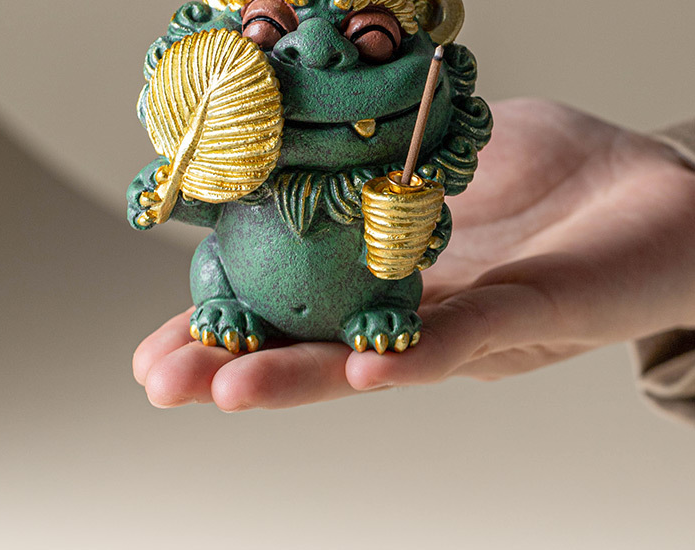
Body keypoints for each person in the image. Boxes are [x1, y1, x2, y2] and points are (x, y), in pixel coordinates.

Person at [132, 98, 695, 423]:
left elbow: (421, 239)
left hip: (373, 286)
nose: (319, 57)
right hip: (242, 288)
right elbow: (195, 204)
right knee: (214, 259)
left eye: (371, 37)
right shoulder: (236, 168)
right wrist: (164, 193)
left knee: (397, 267)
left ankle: (376, 314)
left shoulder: (393, 177)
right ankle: (226, 304)